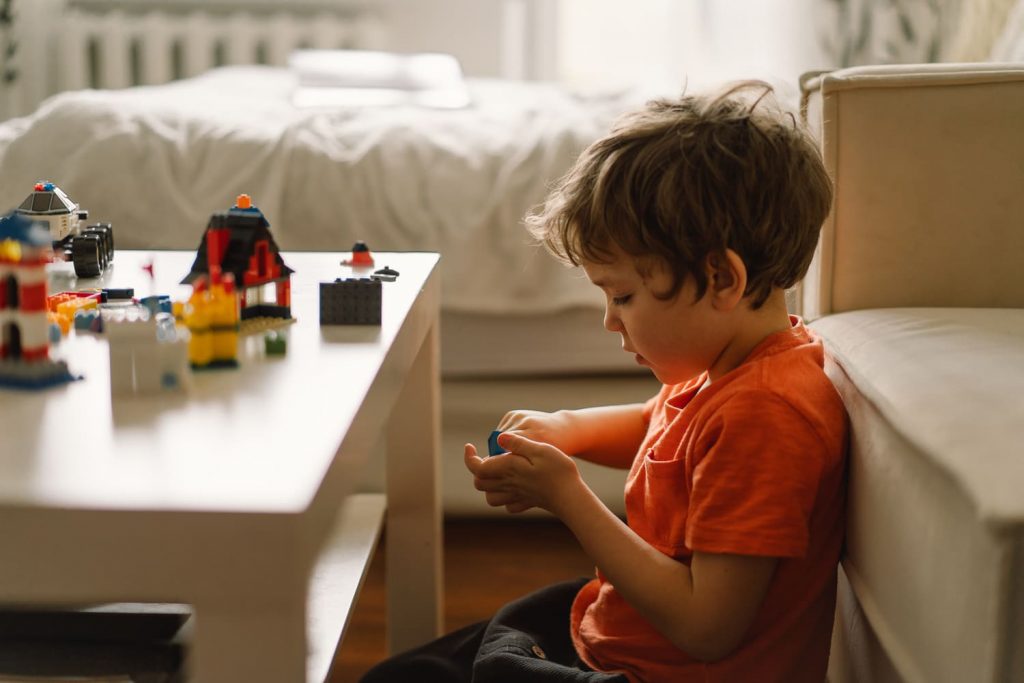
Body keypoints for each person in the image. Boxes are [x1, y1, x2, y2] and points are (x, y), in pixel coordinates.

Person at [360, 80, 848, 683]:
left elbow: (706, 627)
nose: (610, 319)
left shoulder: (766, 414)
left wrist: (568, 497)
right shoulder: (732, 369)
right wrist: (567, 430)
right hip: (624, 643)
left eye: (623, 295)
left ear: (722, 278)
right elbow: (658, 426)